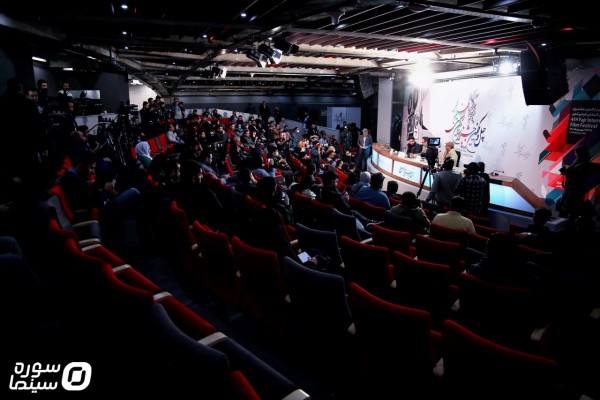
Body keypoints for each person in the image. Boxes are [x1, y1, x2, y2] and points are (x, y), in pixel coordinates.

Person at [558, 145, 599, 223]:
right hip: (570, 190)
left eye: (576, 152)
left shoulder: (585, 164)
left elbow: (578, 175)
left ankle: (571, 226)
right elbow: (573, 173)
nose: (575, 154)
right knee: (567, 211)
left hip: (576, 192)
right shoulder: (577, 162)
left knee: (573, 212)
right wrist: (566, 170)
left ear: (581, 153)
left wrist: (569, 169)